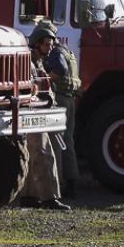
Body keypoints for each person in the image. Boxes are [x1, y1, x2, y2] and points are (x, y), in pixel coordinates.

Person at [18, 23, 71, 211]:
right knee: (43, 152)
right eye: (46, 44)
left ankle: (29, 196)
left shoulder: (36, 62)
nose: (49, 48)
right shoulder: (29, 63)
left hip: (34, 111)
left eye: (50, 44)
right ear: (36, 43)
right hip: (31, 112)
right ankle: (49, 198)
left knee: (34, 155)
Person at [35, 22, 81, 199]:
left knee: (58, 141)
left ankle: (59, 183)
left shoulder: (55, 52)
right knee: (68, 141)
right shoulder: (66, 50)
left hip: (61, 98)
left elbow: (60, 70)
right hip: (70, 98)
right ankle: (72, 181)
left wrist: (45, 79)